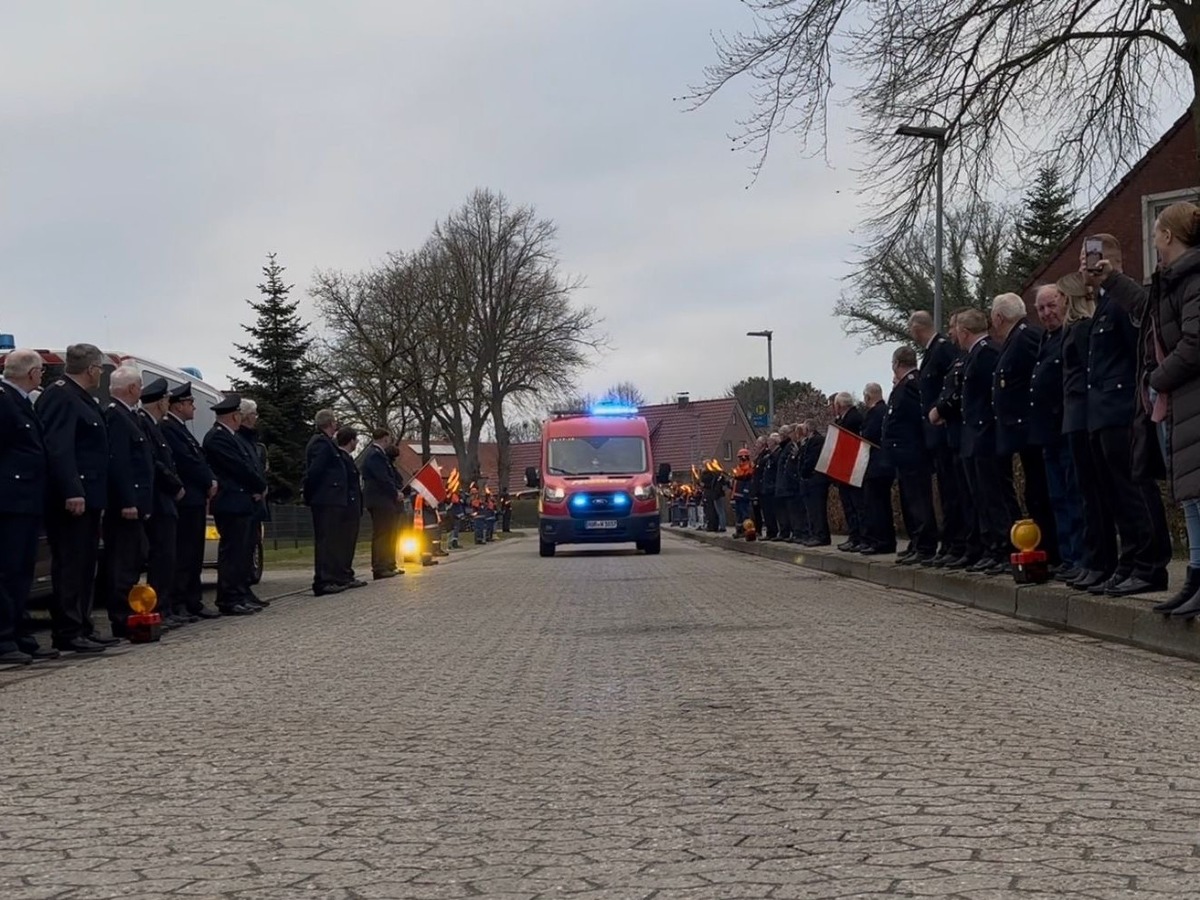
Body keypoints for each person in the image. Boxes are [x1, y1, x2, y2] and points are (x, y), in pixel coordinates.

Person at [1099, 208, 1200, 611]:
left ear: (1169, 235)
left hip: (1188, 397)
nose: (1154, 240)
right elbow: (1149, 314)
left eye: (1156, 233)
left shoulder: (1193, 279)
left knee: (1198, 493)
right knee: (1190, 495)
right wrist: (1112, 280)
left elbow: (1194, 343)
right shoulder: (1172, 281)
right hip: (1179, 404)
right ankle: (1195, 577)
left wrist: (1156, 378)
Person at [1081, 234, 1171, 596]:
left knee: (1134, 489)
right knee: (1116, 493)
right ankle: (1132, 559)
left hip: (1122, 410)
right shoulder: (1104, 303)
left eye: (1089, 257)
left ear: (1109, 258)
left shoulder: (1123, 301)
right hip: (1102, 412)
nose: (1083, 265)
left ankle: (1150, 565)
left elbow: (1138, 352)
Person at [37, 343, 115, 653]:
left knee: (84, 564)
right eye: (100, 369)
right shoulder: (61, 396)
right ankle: (68, 629)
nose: (100, 374)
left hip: (90, 495)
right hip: (72, 498)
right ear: (92, 369)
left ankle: (82, 624)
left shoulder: (80, 397)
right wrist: (71, 489)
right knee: (71, 563)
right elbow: (59, 447)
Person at [991, 292, 1058, 565]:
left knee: (1040, 493)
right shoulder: (1014, 339)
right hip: (1022, 432)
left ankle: (1052, 551)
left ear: (998, 317)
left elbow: (1038, 376)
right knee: (1035, 492)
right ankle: (1045, 550)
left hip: (1032, 430)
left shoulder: (1026, 336)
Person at [0, 349, 57, 663]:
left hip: (27, 500)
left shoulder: (20, 400)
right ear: (33, 373)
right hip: (10, 502)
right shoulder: (4, 400)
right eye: (41, 371)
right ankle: (4, 638)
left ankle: (19, 632)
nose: (42, 376)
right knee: (8, 571)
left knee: (22, 571)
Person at [1029, 284, 1084, 582]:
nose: (1046, 313)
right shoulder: (1045, 339)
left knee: (1074, 496)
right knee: (1058, 497)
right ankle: (1067, 556)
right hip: (1048, 433)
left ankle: (1079, 556)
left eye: (1051, 305)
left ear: (1064, 301)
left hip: (1066, 427)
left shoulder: (1070, 334)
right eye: (1040, 309)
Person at [100, 366, 155, 639]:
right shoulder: (116, 416)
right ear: (133, 388)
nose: (141, 391)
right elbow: (119, 462)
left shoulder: (129, 416)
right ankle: (121, 618)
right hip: (124, 507)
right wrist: (127, 500)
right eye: (140, 387)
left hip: (137, 504)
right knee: (121, 564)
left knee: (134, 559)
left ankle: (129, 613)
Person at [956, 309, 1010, 575]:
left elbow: (993, 395)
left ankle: (1003, 547)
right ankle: (992, 547)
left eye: (957, 331)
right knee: (981, 496)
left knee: (994, 495)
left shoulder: (987, 352)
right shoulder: (973, 354)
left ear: (965, 332)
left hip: (985, 434)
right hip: (974, 435)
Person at [161, 383, 220, 619]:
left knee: (195, 553)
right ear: (178, 406)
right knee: (184, 553)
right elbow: (187, 461)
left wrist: (211, 479)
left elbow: (199, 458)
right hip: (186, 499)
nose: (193, 408)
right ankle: (180, 600)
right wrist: (208, 480)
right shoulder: (169, 428)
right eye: (190, 403)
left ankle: (193, 600)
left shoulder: (182, 430)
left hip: (196, 498)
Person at [909, 310, 964, 564]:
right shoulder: (931, 352)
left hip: (944, 430)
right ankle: (950, 543)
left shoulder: (942, 349)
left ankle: (956, 544)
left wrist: (941, 411)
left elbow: (951, 385)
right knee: (945, 491)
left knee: (953, 492)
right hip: (935, 433)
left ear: (916, 328)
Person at [203, 394, 266, 615]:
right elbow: (238, 467)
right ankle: (229, 597)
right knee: (232, 552)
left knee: (242, 551)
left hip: (241, 500)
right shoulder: (217, 438)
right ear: (234, 416)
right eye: (239, 414)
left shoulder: (231, 437)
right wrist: (258, 485)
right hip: (230, 501)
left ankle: (240, 593)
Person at [930, 310, 981, 569]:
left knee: (971, 497)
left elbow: (959, 393)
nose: (950, 332)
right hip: (956, 437)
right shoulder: (960, 357)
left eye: (953, 327)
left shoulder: (972, 355)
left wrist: (940, 409)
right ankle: (966, 546)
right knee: (959, 495)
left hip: (967, 434)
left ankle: (976, 547)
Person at [137, 377, 188, 628]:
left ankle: (165, 607)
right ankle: (159, 607)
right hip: (158, 498)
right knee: (160, 557)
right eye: (167, 399)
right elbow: (154, 462)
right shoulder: (144, 424)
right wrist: (175, 484)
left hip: (165, 501)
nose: (169, 403)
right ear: (160, 402)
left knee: (167, 557)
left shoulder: (155, 426)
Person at [883, 346, 938, 563]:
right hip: (903, 455)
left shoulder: (912, 384)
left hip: (913, 452)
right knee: (909, 501)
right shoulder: (903, 385)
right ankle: (916, 542)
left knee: (919, 501)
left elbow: (918, 419)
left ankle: (925, 545)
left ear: (896, 363)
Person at [303, 409, 349, 596]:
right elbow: (315, 471)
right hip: (325, 499)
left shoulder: (328, 443)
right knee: (326, 540)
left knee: (331, 540)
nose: (336, 424)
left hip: (331, 498)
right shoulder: (321, 443)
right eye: (335, 421)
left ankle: (331, 577)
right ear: (330, 423)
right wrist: (312, 494)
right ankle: (323, 580)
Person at [859, 382, 896, 555]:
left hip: (876, 465)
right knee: (882, 505)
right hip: (886, 464)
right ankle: (885, 540)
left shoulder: (875, 413)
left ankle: (880, 541)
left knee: (876, 506)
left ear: (868, 396)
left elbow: (868, 435)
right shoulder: (886, 410)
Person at [363, 428, 403, 578]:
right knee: (382, 533)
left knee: (388, 533)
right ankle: (380, 566)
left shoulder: (379, 455)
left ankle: (387, 564)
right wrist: (395, 492)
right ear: (385, 438)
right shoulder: (375, 455)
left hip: (383, 499)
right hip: (379, 500)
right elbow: (383, 478)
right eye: (389, 439)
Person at [831, 392, 867, 552]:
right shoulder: (842, 419)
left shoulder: (853, 418)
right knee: (849, 506)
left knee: (857, 505)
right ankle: (854, 536)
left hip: (852, 469)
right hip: (845, 470)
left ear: (839, 405)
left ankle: (860, 537)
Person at [334, 426, 366, 589]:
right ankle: (344, 574)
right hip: (347, 507)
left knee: (348, 542)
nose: (357, 442)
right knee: (346, 542)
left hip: (351, 505)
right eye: (356, 439)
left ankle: (346, 572)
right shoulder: (342, 459)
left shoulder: (346, 458)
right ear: (351, 441)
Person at [798, 419, 830, 546]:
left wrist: (804, 471)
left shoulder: (817, 441)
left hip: (816, 480)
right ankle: (814, 534)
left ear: (808, 428)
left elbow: (811, 460)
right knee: (812, 511)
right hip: (810, 481)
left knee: (818, 510)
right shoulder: (808, 441)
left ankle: (821, 536)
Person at [730, 448, 754, 536]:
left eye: (741, 457)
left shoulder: (749, 467)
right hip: (737, 494)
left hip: (743, 495)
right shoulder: (739, 467)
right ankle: (739, 530)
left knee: (745, 513)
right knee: (738, 514)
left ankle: (747, 531)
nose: (740, 459)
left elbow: (748, 480)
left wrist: (746, 491)